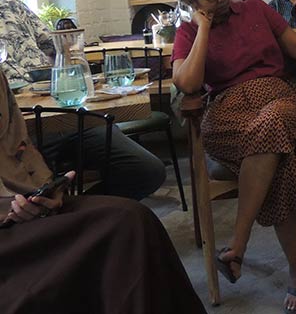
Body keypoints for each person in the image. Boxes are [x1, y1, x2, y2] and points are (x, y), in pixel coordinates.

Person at [171, 0, 296, 314]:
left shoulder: (255, 10)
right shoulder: (188, 33)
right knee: (281, 162)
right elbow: (188, 83)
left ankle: (238, 243)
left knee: (273, 123)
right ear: (190, 2)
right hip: (227, 113)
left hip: (279, 98)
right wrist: (203, 29)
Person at [0, 70, 207, 314]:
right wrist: (7, 207)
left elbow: (17, 144)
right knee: (116, 233)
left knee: (133, 219)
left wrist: (48, 189)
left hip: (26, 206)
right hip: (9, 228)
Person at [0, 0, 165, 201]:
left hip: (65, 114)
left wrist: (69, 69)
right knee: (32, 195)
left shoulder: (11, 6)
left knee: (147, 171)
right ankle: (62, 214)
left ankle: (77, 210)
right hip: (17, 133)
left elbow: (58, 46)